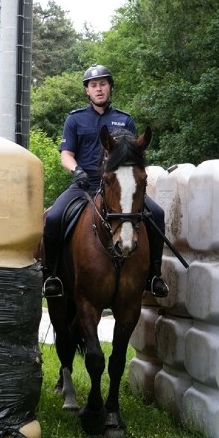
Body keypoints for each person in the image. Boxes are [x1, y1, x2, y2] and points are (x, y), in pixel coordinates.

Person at [41, 64, 169, 299]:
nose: (98, 89)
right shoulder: (75, 119)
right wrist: (76, 170)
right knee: (53, 217)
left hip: (118, 187)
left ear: (110, 87)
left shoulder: (125, 120)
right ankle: (51, 276)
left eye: (102, 84)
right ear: (87, 91)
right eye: (93, 85)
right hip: (84, 184)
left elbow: (133, 157)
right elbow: (66, 155)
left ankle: (153, 275)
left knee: (157, 215)